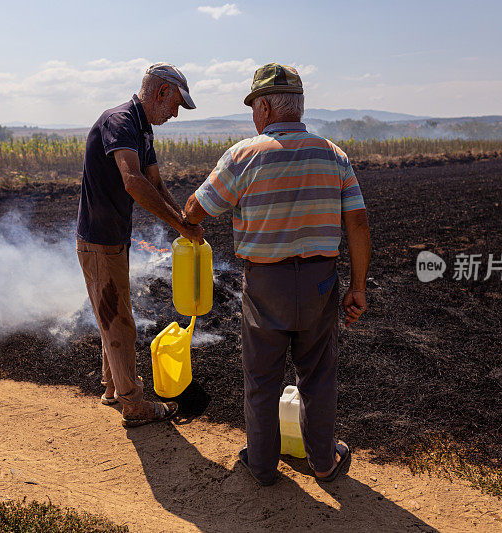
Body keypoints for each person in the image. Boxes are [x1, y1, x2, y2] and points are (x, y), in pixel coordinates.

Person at [182, 63, 371, 485]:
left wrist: (194, 218)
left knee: (262, 378)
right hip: (321, 282)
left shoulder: (243, 155)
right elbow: (358, 224)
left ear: (265, 106)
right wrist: (357, 288)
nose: (254, 116)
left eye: (254, 107)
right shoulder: (334, 155)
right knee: (318, 375)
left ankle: (264, 467)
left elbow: (195, 210)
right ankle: (324, 463)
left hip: (266, 285)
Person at [76, 62, 203, 427]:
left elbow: (156, 183)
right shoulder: (120, 121)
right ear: (162, 92)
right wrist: (180, 223)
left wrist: (186, 222)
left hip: (114, 236)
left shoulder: (142, 130)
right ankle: (133, 404)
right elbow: (132, 182)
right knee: (120, 321)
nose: (176, 113)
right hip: (98, 239)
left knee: (112, 311)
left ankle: (114, 387)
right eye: (176, 104)